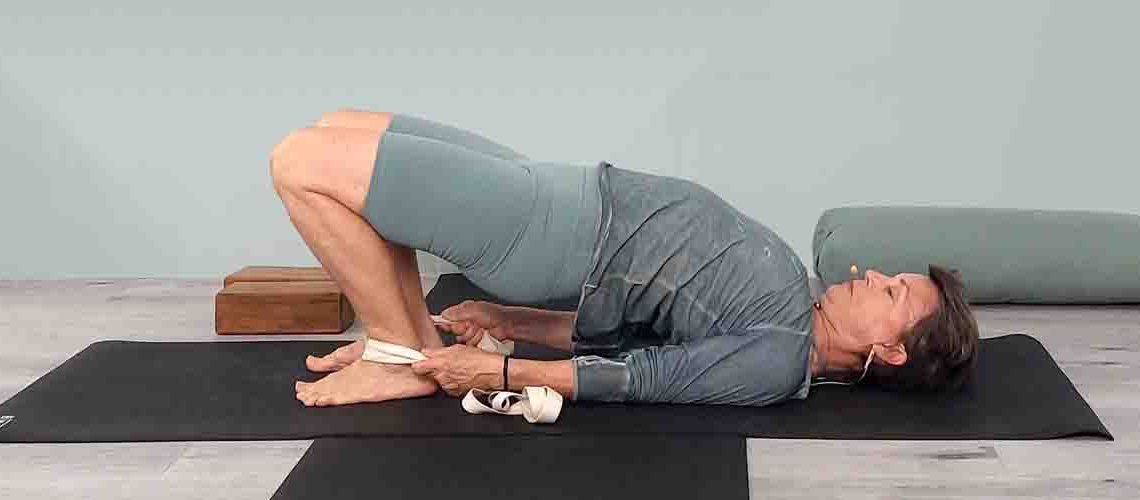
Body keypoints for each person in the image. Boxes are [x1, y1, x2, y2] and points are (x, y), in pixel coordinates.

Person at [270, 111, 979, 408]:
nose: (869, 276)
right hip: (559, 189)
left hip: (550, 228)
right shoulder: (792, 297)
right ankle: (408, 341)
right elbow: (639, 325)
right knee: (338, 127)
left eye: (892, 293)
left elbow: (647, 376)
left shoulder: (781, 358)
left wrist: (502, 370)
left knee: (300, 162)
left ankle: (395, 353)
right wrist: (507, 318)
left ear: (888, 350)